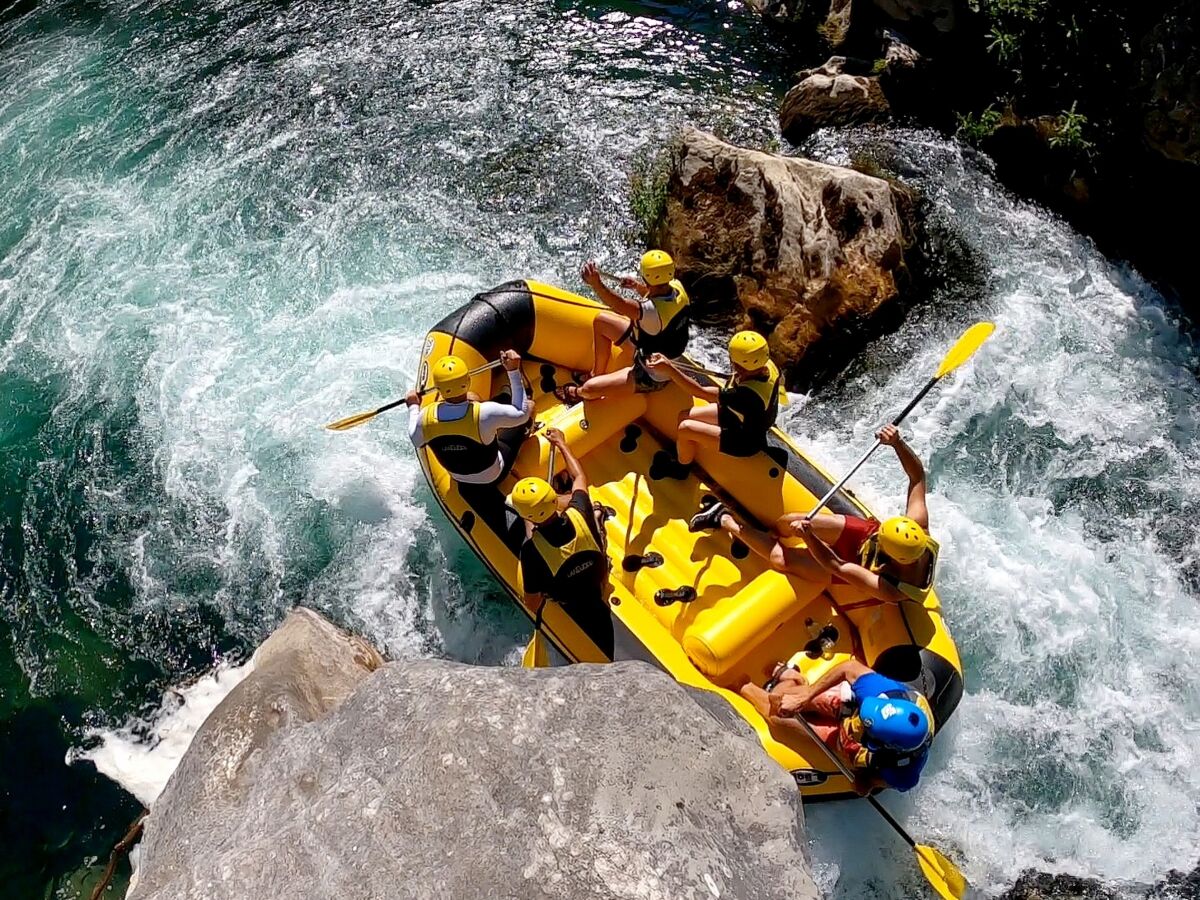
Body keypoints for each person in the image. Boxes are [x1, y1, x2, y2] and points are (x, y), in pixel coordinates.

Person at [688, 424, 939, 604]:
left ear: (895, 558)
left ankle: (724, 519)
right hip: (862, 537)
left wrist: (809, 538)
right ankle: (768, 531)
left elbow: (837, 565)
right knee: (791, 521)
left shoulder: (891, 589)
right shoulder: (919, 526)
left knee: (780, 560)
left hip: (850, 565)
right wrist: (897, 443)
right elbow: (917, 477)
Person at [739, 659, 934, 793]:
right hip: (856, 706)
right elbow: (848, 668)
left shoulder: (903, 772)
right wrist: (805, 697)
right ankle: (794, 682)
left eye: (863, 733)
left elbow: (887, 782)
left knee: (777, 718)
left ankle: (742, 686)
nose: (852, 727)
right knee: (791, 700)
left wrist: (867, 783)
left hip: (859, 743)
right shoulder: (877, 691)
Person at [508, 428, 614, 658]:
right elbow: (579, 478)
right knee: (587, 519)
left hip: (568, 601)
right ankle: (598, 517)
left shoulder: (531, 551)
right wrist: (561, 443)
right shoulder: (579, 509)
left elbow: (533, 603)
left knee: (533, 541)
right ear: (554, 500)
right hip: (597, 582)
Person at [554, 250, 690, 404]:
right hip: (650, 347)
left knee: (589, 389)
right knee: (601, 322)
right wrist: (637, 287)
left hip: (653, 373)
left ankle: (579, 392)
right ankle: (596, 373)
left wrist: (596, 284)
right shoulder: (677, 287)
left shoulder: (650, 312)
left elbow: (619, 305)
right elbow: (659, 293)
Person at [644, 330, 782, 464]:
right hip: (740, 417)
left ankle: (681, 468)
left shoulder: (747, 396)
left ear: (739, 366)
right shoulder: (769, 366)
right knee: (683, 416)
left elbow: (700, 392)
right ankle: (687, 449)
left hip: (745, 441)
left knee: (685, 428)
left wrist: (669, 369)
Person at [407, 349, 533, 486]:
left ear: (438, 388)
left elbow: (415, 439)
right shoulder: (485, 413)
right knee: (530, 406)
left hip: (458, 476)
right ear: (468, 380)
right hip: (494, 475)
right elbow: (522, 412)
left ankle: (492, 427)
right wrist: (513, 371)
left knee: (473, 398)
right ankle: (529, 430)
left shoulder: (425, 417)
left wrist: (413, 406)